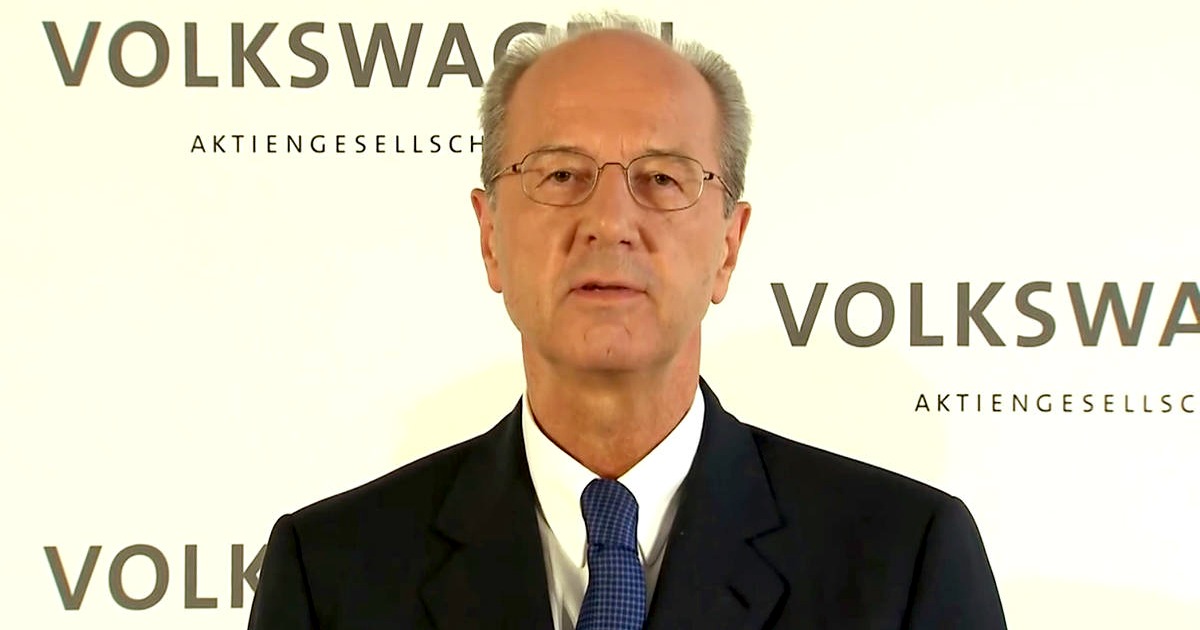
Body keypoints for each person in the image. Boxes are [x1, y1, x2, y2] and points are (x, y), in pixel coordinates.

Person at [248, 13, 1006, 630]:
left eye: (662, 179)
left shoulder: (904, 563)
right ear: (490, 237)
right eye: (561, 175)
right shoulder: (331, 574)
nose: (610, 222)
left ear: (729, 245)